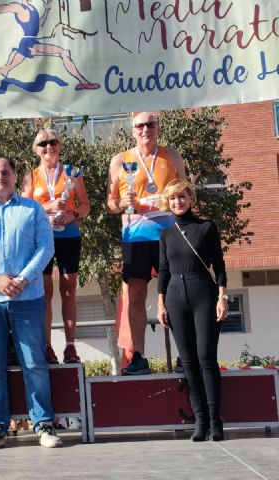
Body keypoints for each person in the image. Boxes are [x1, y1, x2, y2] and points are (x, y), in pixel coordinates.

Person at [0, 157, 62, 450]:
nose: (0, 177)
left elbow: (46, 246)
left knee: (34, 363)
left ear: (15, 176)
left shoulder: (33, 209)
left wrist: (24, 279)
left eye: (5, 172)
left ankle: (43, 424)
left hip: (27, 298)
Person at [107, 111, 186, 375]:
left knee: (176, 294)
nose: (145, 130)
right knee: (136, 296)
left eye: (150, 124)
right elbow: (111, 203)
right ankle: (138, 357)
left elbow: (185, 193)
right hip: (136, 235)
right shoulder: (120, 160)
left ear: (158, 128)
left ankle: (184, 355)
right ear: (133, 131)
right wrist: (122, 203)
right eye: (139, 126)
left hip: (169, 234)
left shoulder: (172, 156)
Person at [157, 180, 228, 442]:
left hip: (204, 294)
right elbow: (163, 271)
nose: (178, 202)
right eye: (173, 198)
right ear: (168, 202)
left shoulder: (206, 227)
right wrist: (162, 303)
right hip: (175, 296)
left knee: (206, 359)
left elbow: (219, 266)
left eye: (183, 197)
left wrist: (222, 297)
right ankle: (200, 421)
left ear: (191, 199)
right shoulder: (166, 234)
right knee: (188, 362)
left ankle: (215, 421)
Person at [22, 128, 90, 364]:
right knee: (44, 292)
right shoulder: (31, 177)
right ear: (36, 150)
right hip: (41, 238)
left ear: (60, 146)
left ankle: (71, 347)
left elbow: (85, 206)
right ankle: (47, 346)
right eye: (43, 144)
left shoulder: (73, 172)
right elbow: (22, 210)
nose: (48, 147)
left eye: (53, 142)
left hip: (69, 236)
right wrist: (48, 207)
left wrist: (72, 213)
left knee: (69, 290)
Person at [0, 0, 99, 91]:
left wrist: (47, 11)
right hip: (28, 43)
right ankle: (83, 82)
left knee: (3, 71)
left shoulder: (32, 8)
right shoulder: (18, 7)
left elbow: (39, 24)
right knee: (63, 53)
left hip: (31, 42)